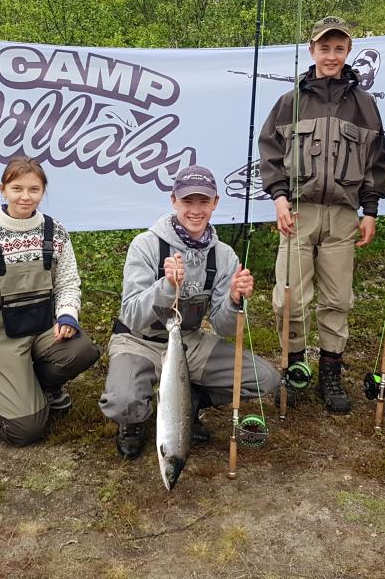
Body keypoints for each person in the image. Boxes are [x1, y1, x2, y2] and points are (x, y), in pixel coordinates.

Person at [259, 16, 385, 414]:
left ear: (347, 51)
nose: (331, 55)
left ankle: (331, 372)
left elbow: (376, 162)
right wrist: (279, 198)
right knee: (288, 300)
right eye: (324, 47)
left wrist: (370, 211)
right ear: (311, 50)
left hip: (344, 215)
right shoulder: (290, 101)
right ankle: (295, 366)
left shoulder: (365, 105)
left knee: (337, 300)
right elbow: (270, 153)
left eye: (339, 48)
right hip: (298, 213)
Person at [99, 165, 278, 458]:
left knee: (265, 378)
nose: (196, 210)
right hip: (138, 340)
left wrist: (234, 300)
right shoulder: (145, 245)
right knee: (122, 402)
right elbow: (130, 314)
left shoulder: (224, 256)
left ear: (215, 203)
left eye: (203, 202)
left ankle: (188, 401)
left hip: (187, 343)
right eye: (187, 201)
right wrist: (167, 286)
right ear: (173, 201)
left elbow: (224, 328)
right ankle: (135, 420)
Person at [0, 156, 100, 446]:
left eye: (34, 189)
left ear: (43, 191)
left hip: (42, 326)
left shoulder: (55, 231)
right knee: (25, 431)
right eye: (17, 188)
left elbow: (68, 283)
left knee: (83, 350)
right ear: (2, 189)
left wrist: (67, 316)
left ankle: (45, 385)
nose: (25, 197)